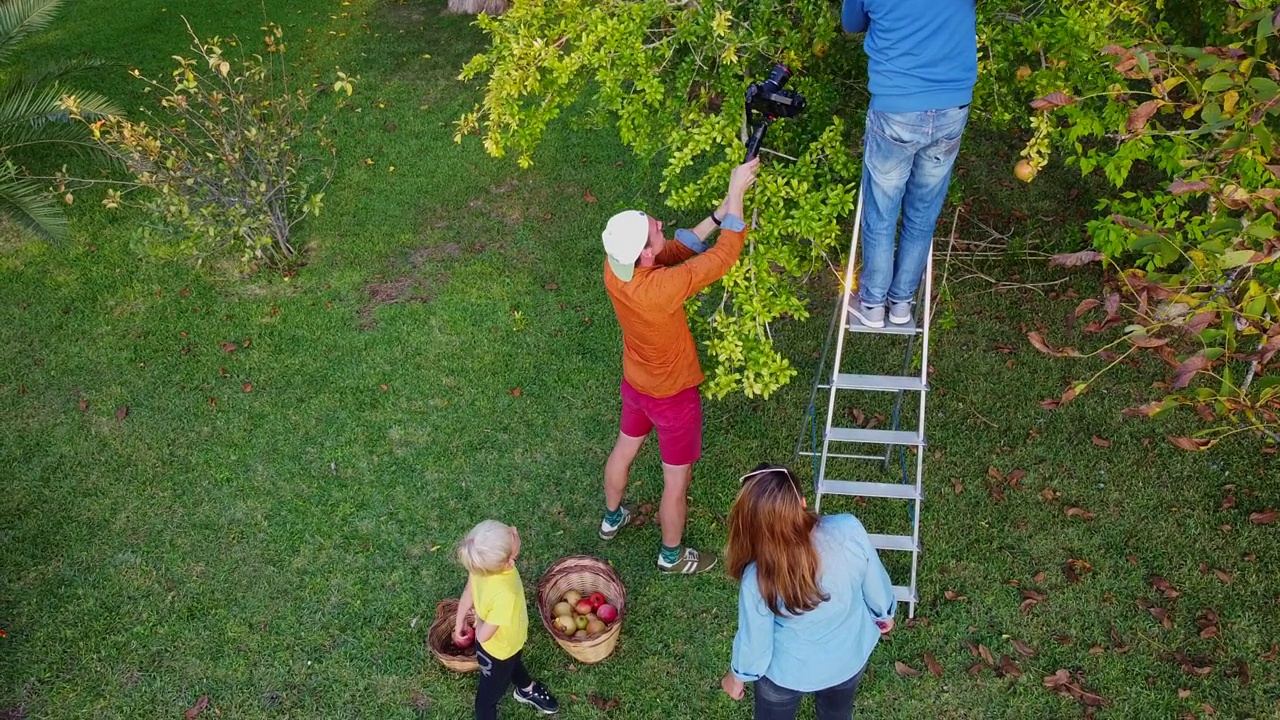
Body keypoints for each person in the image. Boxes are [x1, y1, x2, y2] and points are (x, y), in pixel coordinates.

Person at [597, 157, 759, 574]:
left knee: (625, 449)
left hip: (637, 385)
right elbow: (723, 257)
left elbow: (673, 252)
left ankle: (612, 517)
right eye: (655, 230)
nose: (660, 226)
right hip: (672, 397)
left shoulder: (616, 269)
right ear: (645, 254)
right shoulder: (662, 290)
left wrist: (721, 210)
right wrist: (739, 194)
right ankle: (671, 555)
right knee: (676, 482)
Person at [720, 465, 896, 719]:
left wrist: (738, 676)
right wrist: (884, 613)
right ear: (802, 502)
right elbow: (875, 583)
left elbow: (755, 643)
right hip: (847, 660)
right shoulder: (849, 529)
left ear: (751, 523)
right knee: (836, 713)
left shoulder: (757, 578)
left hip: (786, 674)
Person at [841, 0, 978, 328]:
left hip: (896, 107)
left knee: (882, 212)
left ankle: (873, 304)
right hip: (950, 107)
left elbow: (851, 24)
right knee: (922, 213)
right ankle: (901, 303)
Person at [454, 520, 559, 718]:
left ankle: (525, 689)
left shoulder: (481, 566)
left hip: (510, 642)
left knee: (514, 661)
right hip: (497, 652)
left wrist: (460, 621)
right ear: (509, 561)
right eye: (512, 534)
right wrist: (479, 619)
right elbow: (483, 637)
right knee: (486, 699)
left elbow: (469, 590)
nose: (515, 529)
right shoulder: (505, 595)